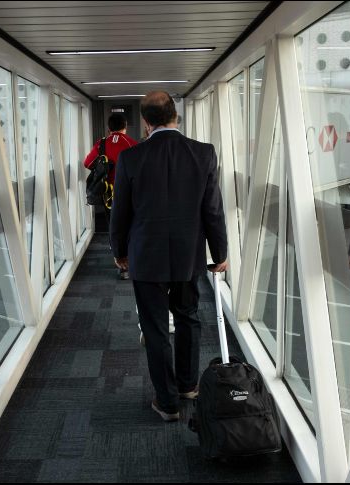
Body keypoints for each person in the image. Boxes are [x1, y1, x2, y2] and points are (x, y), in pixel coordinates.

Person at [110, 91, 228, 422]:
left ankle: (167, 402)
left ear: (146, 123)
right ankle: (189, 385)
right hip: (188, 254)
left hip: (146, 256)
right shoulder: (203, 153)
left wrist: (119, 252)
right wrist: (219, 252)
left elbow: (120, 213)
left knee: (157, 327)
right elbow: (213, 210)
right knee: (189, 317)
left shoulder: (131, 159)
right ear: (176, 115)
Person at [83, 113, 137, 279]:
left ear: (109, 128)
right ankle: (132, 263)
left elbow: (87, 163)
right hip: (129, 195)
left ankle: (122, 266)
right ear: (125, 126)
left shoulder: (102, 143)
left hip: (108, 195)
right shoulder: (131, 143)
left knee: (114, 228)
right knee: (130, 228)